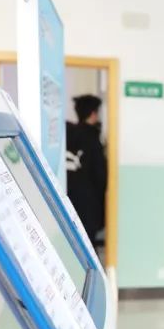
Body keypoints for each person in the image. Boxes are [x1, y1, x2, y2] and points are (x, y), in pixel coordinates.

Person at [66, 95, 107, 248]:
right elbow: (100, 176)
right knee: (88, 243)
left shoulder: (69, 134)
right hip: (89, 202)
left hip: (69, 196)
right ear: (93, 113)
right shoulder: (92, 139)